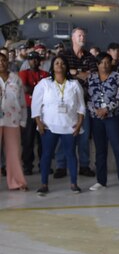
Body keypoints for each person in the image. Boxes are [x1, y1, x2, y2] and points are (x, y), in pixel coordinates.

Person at [32, 55, 85, 195]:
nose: (59, 65)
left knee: (71, 154)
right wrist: (39, 123)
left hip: (70, 126)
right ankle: (44, 184)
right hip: (49, 126)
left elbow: (81, 105)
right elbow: (35, 105)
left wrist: (79, 123)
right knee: (46, 155)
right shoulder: (44, 83)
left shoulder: (74, 84)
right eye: (56, 63)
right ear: (52, 66)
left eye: (62, 63)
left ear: (66, 66)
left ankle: (74, 183)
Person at [87, 52, 119, 193]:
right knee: (100, 151)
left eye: (107, 62)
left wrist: (106, 109)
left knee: (118, 149)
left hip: (112, 118)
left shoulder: (117, 77)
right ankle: (101, 181)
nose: (105, 65)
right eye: (101, 62)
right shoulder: (91, 78)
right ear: (97, 64)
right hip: (97, 119)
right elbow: (88, 98)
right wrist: (96, 111)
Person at [54, 27, 96, 179]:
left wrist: (75, 72)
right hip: (66, 103)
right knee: (63, 135)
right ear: (72, 38)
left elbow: (92, 77)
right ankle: (61, 166)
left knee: (84, 137)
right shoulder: (63, 55)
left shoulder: (90, 57)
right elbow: (61, 74)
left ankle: (84, 165)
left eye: (84, 35)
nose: (82, 37)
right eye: (79, 35)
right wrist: (80, 74)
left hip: (84, 103)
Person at [0, 50, 28, 190]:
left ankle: (17, 182)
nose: (1, 63)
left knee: (14, 152)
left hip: (13, 120)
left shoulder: (15, 78)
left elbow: (22, 100)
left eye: (3, 60)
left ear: (8, 62)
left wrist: (23, 120)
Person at [18, 51, 49, 175]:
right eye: (31, 59)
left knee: (42, 139)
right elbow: (24, 88)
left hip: (43, 110)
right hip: (28, 108)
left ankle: (43, 164)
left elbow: (48, 90)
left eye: (36, 59)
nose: (34, 61)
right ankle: (27, 165)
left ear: (40, 61)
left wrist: (34, 91)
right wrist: (40, 91)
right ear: (28, 61)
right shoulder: (23, 73)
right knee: (28, 139)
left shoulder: (45, 74)